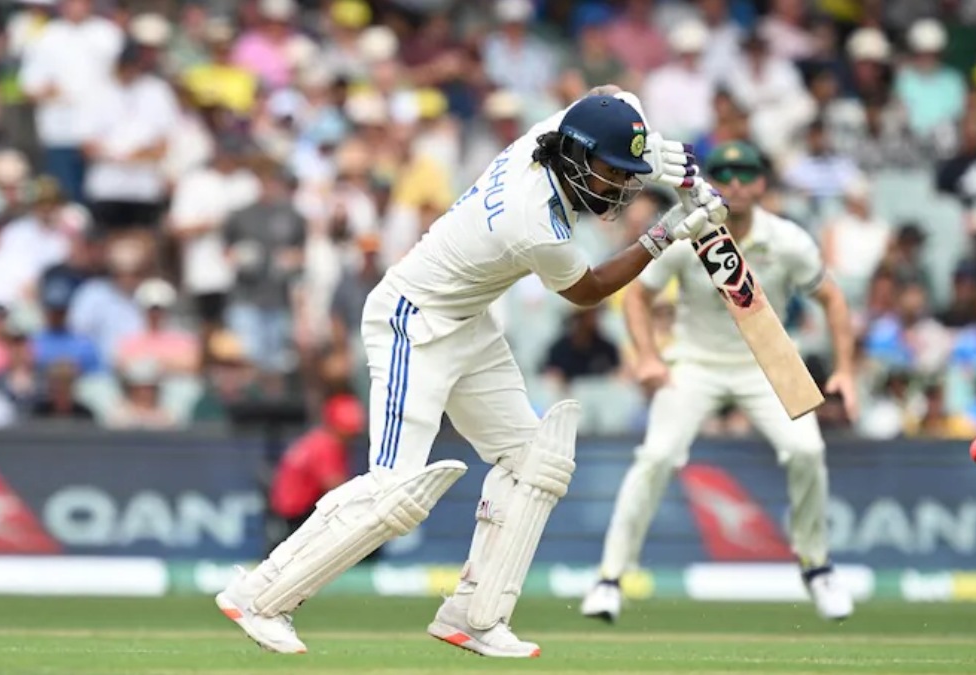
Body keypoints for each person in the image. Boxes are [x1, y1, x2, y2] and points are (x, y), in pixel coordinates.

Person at [213, 85, 720, 657]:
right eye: (612, 172)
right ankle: (258, 596)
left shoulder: (549, 134)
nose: (620, 187)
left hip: (466, 319)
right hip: (413, 322)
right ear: (578, 156)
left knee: (535, 463)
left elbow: (611, 95)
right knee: (394, 491)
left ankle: (475, 615)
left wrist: (654, 149)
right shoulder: (535, 222)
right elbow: (589, 290)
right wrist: (666, 232)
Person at [580, 141, 858, 625]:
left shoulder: (787, 239)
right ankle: (610, 579)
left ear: (762, 183)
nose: (735, 184)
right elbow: (638, 297)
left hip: (768, 364)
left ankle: (817, 566)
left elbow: (833, 299)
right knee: (657, 456)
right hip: (695, 363)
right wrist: (648, 358)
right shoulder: (690, 229)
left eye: (746, 174)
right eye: (724, 175)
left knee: (807, 451)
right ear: (710, 182)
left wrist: (846, 371)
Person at [265, 394, 366, 553]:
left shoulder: (315, 439)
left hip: (284, 514)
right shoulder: (326, 444)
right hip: (297, 518)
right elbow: (335, 486)